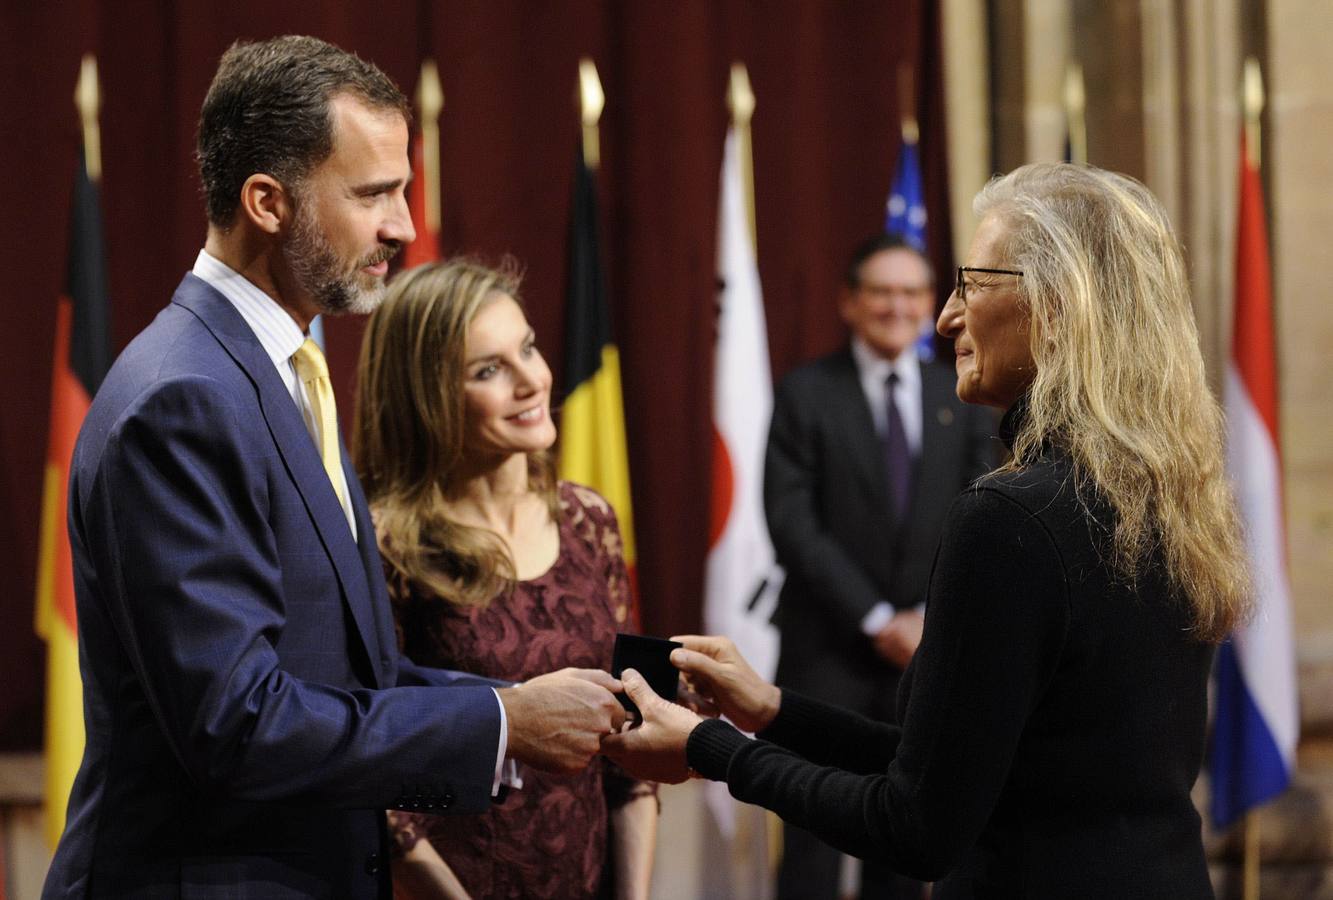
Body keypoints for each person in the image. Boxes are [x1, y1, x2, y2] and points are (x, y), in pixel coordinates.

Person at [45, 36, 624, 899]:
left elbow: (349, 678)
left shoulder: (285, 371)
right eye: (374, 194)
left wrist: (554, 709)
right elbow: (237, 725)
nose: (401, 226)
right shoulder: (185, 398)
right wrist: (504, 721)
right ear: (268, 202)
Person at [604, 163, 1249, 899]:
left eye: (970, 285)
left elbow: (913, 824)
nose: (942, 318)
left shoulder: (1011, 518)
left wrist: (706, 747)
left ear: (1057, 304)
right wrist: (770, 711)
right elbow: (956, 765)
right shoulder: (1164, 494)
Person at [353, 259, 657, 899]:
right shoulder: (385, 546)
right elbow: (374, 778)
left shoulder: (588, 518)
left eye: (527, 348)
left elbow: (633, 748)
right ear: (426, 394)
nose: (532, 380)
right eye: (488, 370)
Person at [765, 234, 996, 899]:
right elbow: (791, 524)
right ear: (850, 301)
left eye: (912, 292)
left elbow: (976, 510)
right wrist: (874, 619)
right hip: (824, 653)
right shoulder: (805, 393)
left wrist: (926, 616)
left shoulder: (961, 392)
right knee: (807, 838)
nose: (898, 306)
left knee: (900, 843)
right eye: (881, 291)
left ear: (931, 303)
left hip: (926, 655)